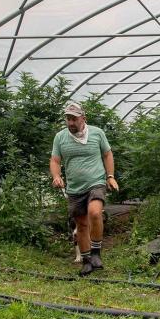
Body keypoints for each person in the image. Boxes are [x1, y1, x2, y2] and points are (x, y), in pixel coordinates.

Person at [50, 101, 119, 276]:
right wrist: (56, 176)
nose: (70, 123)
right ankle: (87, 261)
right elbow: (55, 161)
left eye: (74, 119)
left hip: (96, 181)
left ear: (83, 118)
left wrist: (110, 176)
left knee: (95, 212)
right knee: (81, 224)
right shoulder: (60, 137)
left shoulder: (97, 133)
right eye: (68, 119)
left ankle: (96, 252)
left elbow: (107, 154)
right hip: (74, 187)